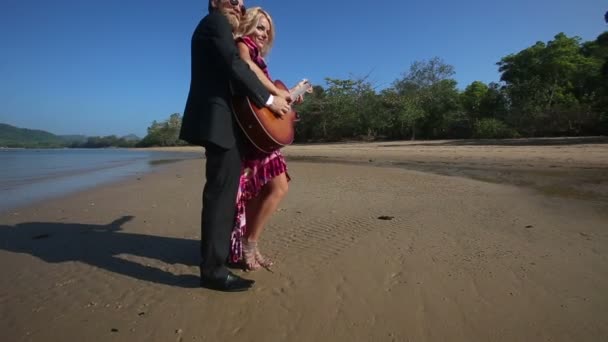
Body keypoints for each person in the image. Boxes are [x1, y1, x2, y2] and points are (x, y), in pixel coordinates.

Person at [179, 0, 292, 292]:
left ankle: (218, 259)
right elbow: (235, 66)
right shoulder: (215, 23)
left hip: (226, 124)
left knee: (224, 194)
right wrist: (269, 100)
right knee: (220, 195)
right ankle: (213, 270)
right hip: (218, 121)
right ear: (214, 2)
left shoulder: (223, 32)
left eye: (241, 1)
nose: (238, 4)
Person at [228, 7, 311, 271]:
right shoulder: (243, 44)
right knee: (276, 188)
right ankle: (248, 244)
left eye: (268, 30)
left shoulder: (257, 53)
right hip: (252, 135)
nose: (264, 34)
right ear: (249, 24)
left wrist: (290, 96)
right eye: (260, 26)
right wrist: (277, 92)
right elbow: (247, 67)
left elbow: (263, 91)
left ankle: (248, 243)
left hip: (258, 133)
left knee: (269, 189)